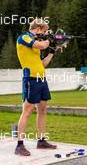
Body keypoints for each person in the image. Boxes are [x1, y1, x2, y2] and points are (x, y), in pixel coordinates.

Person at [15, 18, 59, 156]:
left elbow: (42, 63)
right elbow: (41, 45)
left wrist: (52, 50)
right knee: (27, 111)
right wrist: (49, 41)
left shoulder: (37, 44)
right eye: (44, 31)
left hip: (41, 78)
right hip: (30, 79)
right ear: (38, 29)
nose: (45, 34)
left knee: (43, 109)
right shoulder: (24, 38)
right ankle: (19, 145)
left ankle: (41, 141)